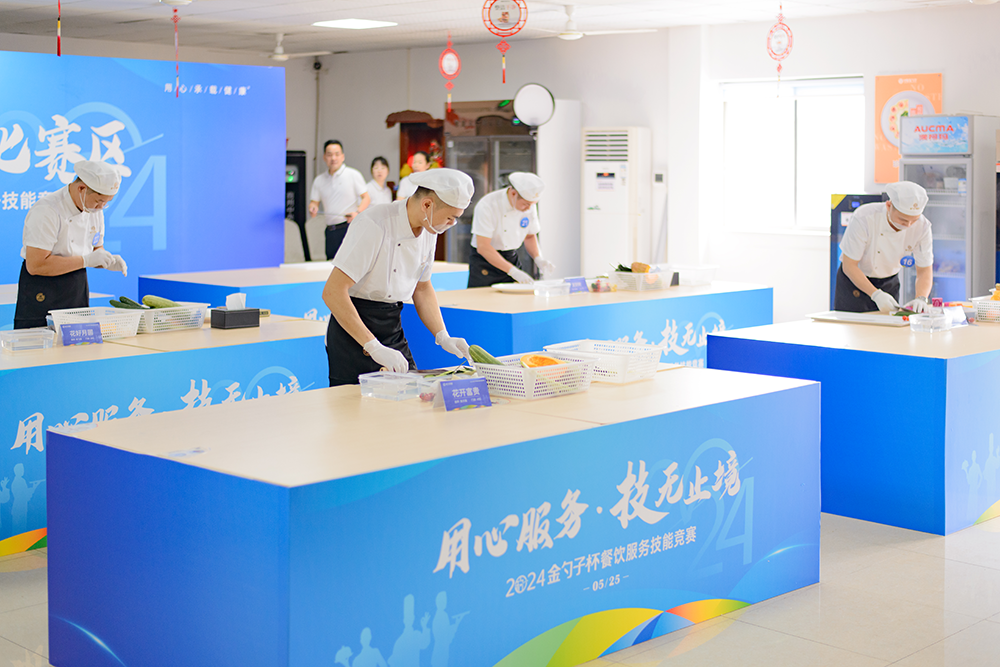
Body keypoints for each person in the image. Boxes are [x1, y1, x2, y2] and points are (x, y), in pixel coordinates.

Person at [322, 169, 474, 386]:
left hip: (392, 324)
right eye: (451, 217)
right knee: (354, 404)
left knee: (410, 397)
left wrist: (443, 336)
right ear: (427, 205)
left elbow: (422, 288)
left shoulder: (428, 229)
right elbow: (333, 292)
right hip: (354, 329)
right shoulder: (374, 224)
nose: (452, 224)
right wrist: (373, 346)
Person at [14, 160, 127, 329]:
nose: (101, 207)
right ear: (81, 188)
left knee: (78, 342)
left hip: (76, 287)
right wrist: (86, 260)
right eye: (99, 201)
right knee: (41, 343)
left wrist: (107, 260)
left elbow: (96, 248)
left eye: (106, 202)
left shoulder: (94, 210)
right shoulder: (47, 210)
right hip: (43, 289)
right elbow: (36, 265)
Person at [835, 181, 933, 314]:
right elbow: (849, 265)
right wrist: (875, 294)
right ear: (888, 206)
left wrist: (921, 298)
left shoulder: (923, 227)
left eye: (914, 220)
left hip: (889, 283)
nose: (908, 225)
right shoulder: (864, 218)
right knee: (851, 326)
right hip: (854, 283)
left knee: (888, 326)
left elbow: (924, 270)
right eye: (903, 219)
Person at [467, 172, 555, 288]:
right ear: (513, 193)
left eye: (533, 204)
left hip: (510, 257)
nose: (529, 208)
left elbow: (529, 236)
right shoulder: (488, 205)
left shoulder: (529, 207)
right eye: (526, 204)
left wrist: (539, 259)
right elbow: (483, 247)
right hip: (485, 261)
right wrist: (513, 272)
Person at [309, 140, 370, 261]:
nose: (333, 158)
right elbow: (314, 202)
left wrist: (357, 213)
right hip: (330, 231)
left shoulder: (353, 174)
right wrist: (312, 208)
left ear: (343, 156)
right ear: (324, 157)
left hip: (349, 227)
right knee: (332, 264)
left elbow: (366, 198)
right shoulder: (319, 180)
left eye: (337, 154)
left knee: (351, 263)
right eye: (329, 154)